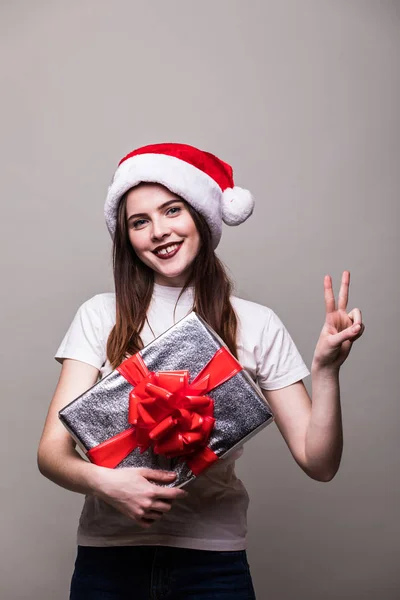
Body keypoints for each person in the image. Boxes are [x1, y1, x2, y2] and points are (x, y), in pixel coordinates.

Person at [37, 142, 365, 599]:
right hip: (108, 558)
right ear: (127, 237)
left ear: (202, 215)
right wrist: (107, 483)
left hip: (214, 564)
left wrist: (326, 371)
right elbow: (51, 454)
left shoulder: (257, 322)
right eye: (139, 221)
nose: (158, 232)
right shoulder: (99, 315)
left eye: (172, 210)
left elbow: (320, 463)